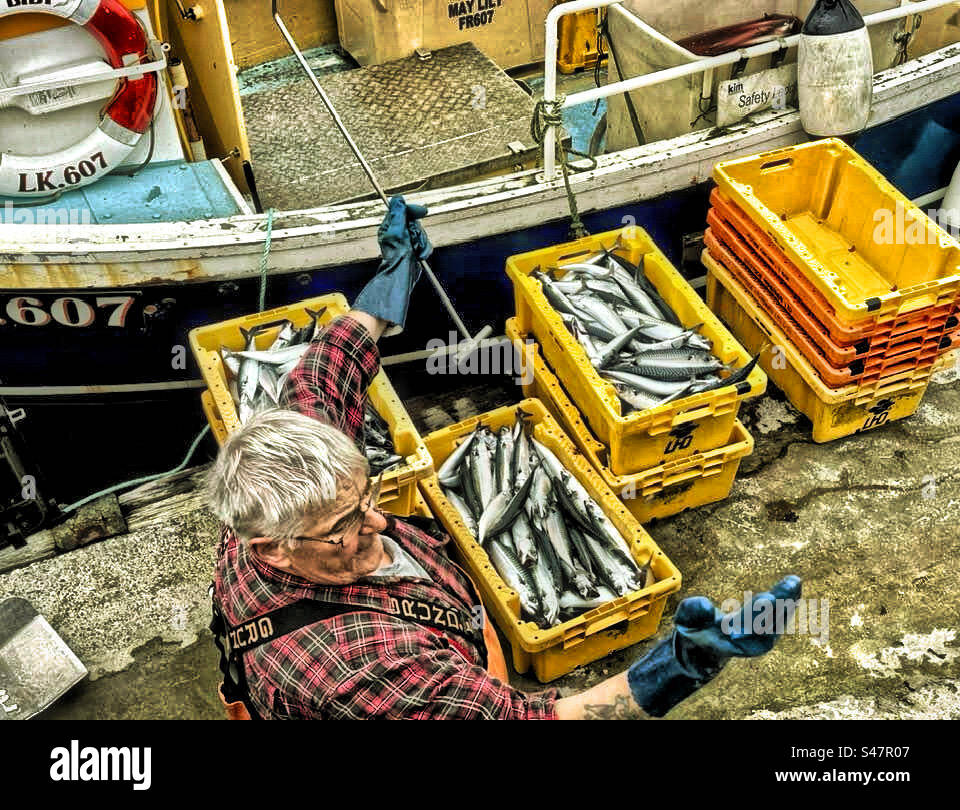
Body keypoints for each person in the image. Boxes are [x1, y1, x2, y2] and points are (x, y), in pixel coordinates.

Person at [207, 196, 803, 720]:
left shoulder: (291, 489)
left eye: (367, 496)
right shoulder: (361, 670)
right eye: (345, 527)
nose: (382, 520)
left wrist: (393, 277)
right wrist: (672, 671)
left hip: (446, 633)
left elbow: (326, 368)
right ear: (270, 548)